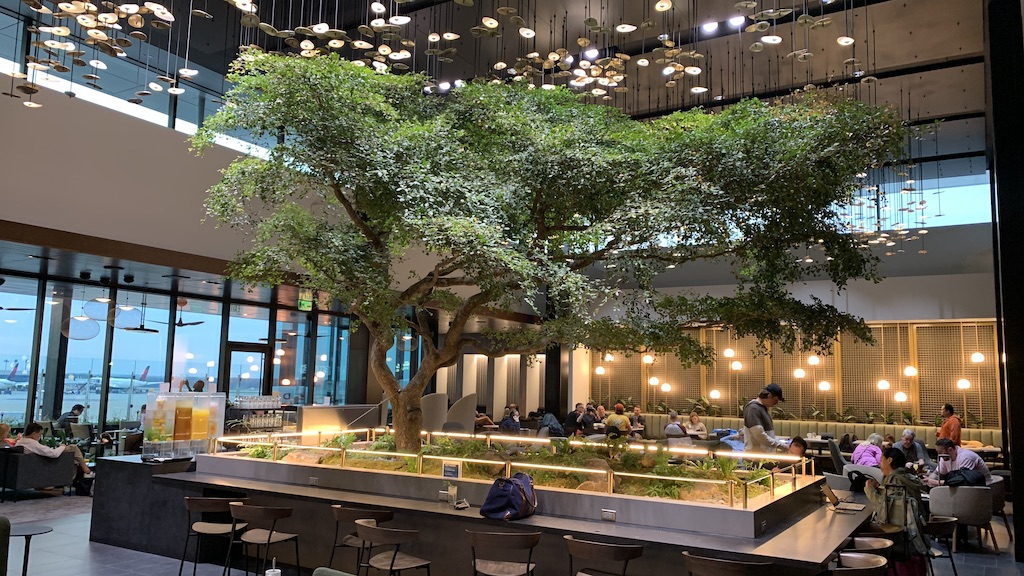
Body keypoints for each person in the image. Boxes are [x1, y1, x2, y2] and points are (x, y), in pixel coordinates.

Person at [865, 448, 930, 557]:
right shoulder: (907, 477)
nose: (879, 464)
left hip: (900, 534)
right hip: (914, 530)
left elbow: (884, 507)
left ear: (889, 460)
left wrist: (869, 490)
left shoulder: (894, 480)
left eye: (881, 460)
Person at [17, 422, 93, 481]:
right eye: (39, 435)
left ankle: (84, 470)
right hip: (46, 463)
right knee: (73, 448)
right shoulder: (32, 443)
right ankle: (86, 470)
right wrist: (62, 447)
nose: (40, 437)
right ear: (34, 434)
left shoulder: (21, 442)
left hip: (37, 463)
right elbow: (54, 454)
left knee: (74, 457)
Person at [926, 437, 992, 486]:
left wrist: (938, 483)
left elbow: (964, 480)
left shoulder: (966, 457)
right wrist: (929, 479)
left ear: (950, 450)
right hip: (964, 488)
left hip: (983, 487)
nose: (939, 455)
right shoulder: (945, 457)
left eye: (940, 452)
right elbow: (937, 473)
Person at [741, 383, 788, 452]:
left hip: (764, 457)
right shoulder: (753, 409)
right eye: (776, 400)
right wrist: (780, 445)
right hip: (756, 458)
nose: (776, 403)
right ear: (769, 396)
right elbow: (759, 435)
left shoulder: (762, 408)